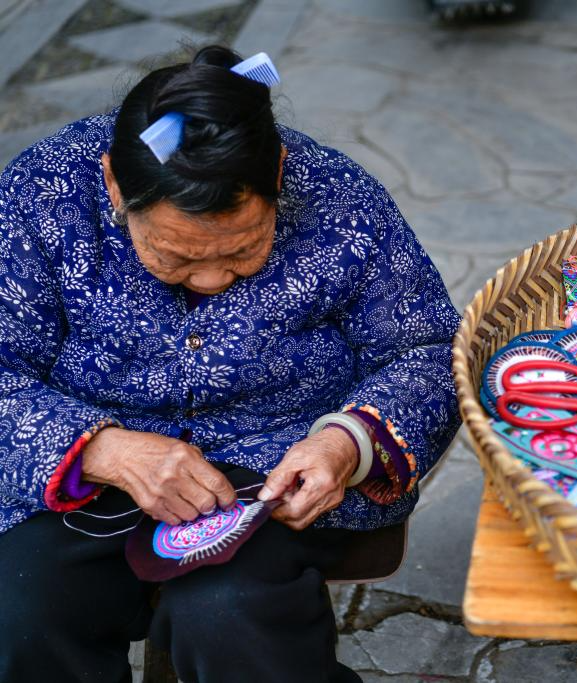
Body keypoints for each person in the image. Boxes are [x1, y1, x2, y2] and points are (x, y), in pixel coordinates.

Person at [0, 45, 461, 683]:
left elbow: (426, 350)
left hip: (273, 473)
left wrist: (344, 443)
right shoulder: (43, 196)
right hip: (82, 470)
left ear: (278, 171)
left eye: (246, 249)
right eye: (176, 256)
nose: (215, 279)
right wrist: (101, 449)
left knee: (230, 615)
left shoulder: (341, 197)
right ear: (112, 183)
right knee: (23, 613)